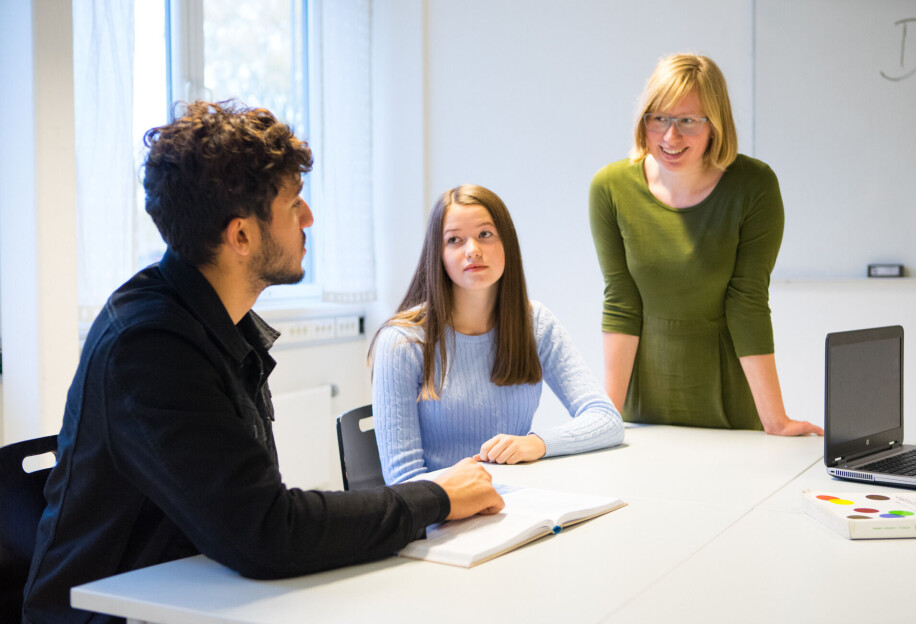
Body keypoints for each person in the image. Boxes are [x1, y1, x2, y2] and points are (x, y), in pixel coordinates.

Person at [22, 101, 503, 624]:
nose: (309, 219)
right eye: (295, 204)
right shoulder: (148, 346)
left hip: (205, 597)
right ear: (242, 236)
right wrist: (435, 496)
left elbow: (257, 521)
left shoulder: (221, 323)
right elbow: (266, 532)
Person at [588, 53, 822, 436]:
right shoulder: (610, 187)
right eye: (658, 118)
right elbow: (621, 300)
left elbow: (747, 301)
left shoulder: (754, 185)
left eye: (688, 121)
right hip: (643, 401)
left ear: (716, 124)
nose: (670, 137)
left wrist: (776, 420)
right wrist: (605, 420)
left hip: (727, 402)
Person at [370, 184, 624, 485]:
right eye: (454, 240)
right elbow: (404, 482)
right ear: (438, 255)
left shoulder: (535, 323)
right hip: (443, 518)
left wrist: (536, 443)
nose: (473, 250)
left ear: (507, 244)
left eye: (485, 235)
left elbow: (607, 420)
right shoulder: (402, 342)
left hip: (519, 506)